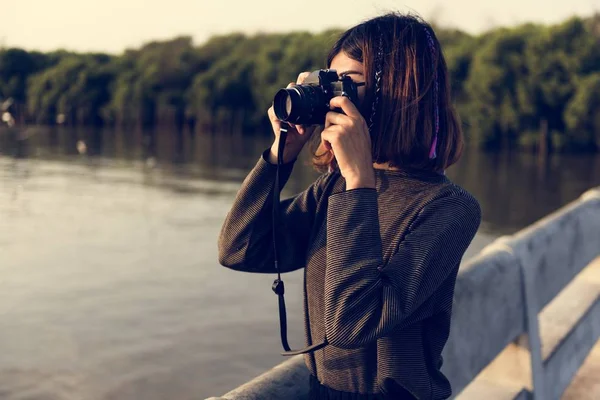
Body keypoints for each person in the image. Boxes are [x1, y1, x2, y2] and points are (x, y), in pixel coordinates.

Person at [218, 12, 481, 400]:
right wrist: (280, 155)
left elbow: (352, 324)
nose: (334, 100)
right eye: (330, 83)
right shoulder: (334, 189)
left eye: (348, 86)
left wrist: (360, 182)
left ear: (399, 94)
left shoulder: (448, 208)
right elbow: (239, 248)